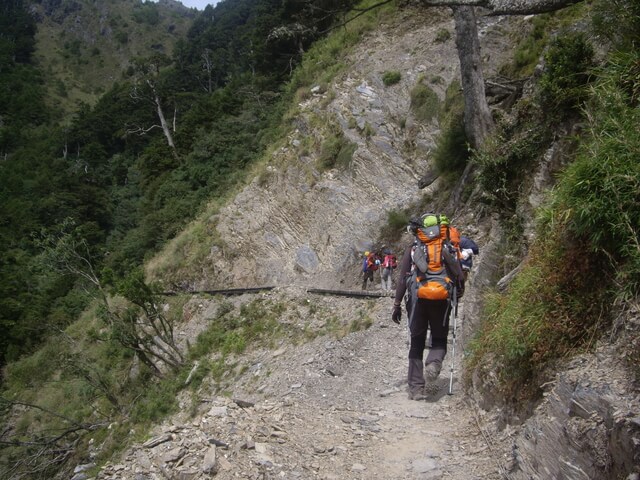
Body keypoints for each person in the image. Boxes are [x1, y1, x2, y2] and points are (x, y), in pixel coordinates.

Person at [391, 213, 464, 400]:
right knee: (439, 338)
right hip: (441, 299)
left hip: (418, 299)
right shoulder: (445, 247)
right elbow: (458, 274)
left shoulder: (414, 249)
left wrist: (397, 304)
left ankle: (416, 389)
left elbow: (402, 279)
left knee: (416, 342)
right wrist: (458, 293)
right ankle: (433, 364)